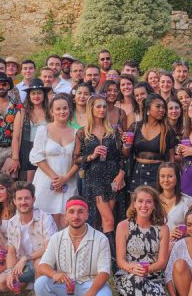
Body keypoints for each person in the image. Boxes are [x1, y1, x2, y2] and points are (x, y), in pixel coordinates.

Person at [33, 199, 113, 296]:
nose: (76, 216)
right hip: (65, 286)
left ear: (87, 215)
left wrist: (91, 293)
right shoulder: (56, 238)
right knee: (40, 283)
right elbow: (43, 265)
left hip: (89, 284)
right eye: (71, 212)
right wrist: (54, 274)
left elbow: (105, 272)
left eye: (80, 212)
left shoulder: (100, 238)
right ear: (66, 215)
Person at [113, 186, 171, 296]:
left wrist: (146, 270)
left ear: (154, 205)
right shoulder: (123, 226)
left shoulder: (163, 229)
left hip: (153, 275)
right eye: (140, 201)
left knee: (156, 294)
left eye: (148, 202)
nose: (144, 206)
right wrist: (132, 268)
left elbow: (162, 262)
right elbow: (120, 260)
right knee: (136, 279)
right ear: (134, 204)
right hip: (128, 274)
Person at [0, 182, 57, 296]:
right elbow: (11, 252)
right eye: (19, 199)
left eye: (27, 198)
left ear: (33, 199)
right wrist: (11, 271)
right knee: (0, 283)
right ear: (14, 201)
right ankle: (32, 284)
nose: (23, 202)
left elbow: (49, 248)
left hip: (46, 262)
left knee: (38, 262)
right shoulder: (13, 222)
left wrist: (25, 258)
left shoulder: (45, 218)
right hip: (24, 264)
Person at [75, 96, 125, 255]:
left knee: (107, 221)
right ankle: (112, 260)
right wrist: (92, 155)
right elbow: (76, 159)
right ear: (91, 109)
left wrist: (121, 173)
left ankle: (103, 258)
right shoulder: (83, 132)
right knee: (108, 219)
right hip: (95, 179)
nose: (102, 109)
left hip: (113, 177)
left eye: (104, 106)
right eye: (98, 107)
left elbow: (121, 157)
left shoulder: (114, 131)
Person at [29, 93, 80, 224]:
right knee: (45, 221)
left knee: (67, 221)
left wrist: (65, 178)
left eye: (65, 108)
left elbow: (79, 160)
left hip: (68, 181)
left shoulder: (77, 133)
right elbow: (37, 156)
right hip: (46, 181)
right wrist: (56, 179)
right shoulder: (43, 130)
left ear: (70, 110)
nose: (62, 112)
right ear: (51, 112)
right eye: (58, 109)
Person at [127, 94, 178, 191]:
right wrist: (126, 144)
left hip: (158, 173)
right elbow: (125, 153)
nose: (162, 110)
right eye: (158, 106)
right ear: (147, 109)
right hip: (137, 172)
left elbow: (171, 159)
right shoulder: (135, 127)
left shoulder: (167, 130)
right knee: (137, 200)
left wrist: (169, 178)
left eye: (163, 107)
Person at [7, 79, 49, 182]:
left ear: (44, 95)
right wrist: (15, 158)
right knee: (26, 185)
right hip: (25, 152)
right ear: (29, 95)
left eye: (39, 93)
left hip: (45, 151)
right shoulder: (22, 113)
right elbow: (16, 137)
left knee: (43, 183)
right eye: (33, 93)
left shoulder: (50, 113)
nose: (36, 96)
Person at [0, 72, 21, 174]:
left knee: (10, 181)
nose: (1, 87)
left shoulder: (17, 107)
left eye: (4, 84)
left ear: (9, 86)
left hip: (12, 149)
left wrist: (15, 156)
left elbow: (19, 134)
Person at [157, 162, 192, 232]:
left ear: (177, 178)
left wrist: (179, 233)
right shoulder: (152, 201)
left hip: (181, 239)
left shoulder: (188, 202)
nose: (166, 180)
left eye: (170, 176)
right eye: (162, 176)